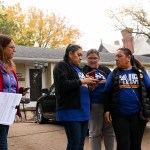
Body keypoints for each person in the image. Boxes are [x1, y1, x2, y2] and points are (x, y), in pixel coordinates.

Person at [53, 44, 98, 150]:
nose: (81, 57)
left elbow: (81, 86)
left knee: (80, 144)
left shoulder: (78, 69)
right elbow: (62, 85)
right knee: (74, 143)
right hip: (71, 110)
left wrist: (91, 87)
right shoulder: (61, 65)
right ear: (70, 54)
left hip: (83, 110)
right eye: (79, 54)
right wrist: (82, 81)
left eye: (81, 55)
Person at [104, 47, 150, 150]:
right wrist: (107, 109)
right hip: (119, 115)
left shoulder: (140, 72)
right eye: (116, 56)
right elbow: (107, 93)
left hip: (138, 116)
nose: (116, 59)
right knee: (123, 146)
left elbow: (148, 90)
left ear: (128, 58)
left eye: (119, 56)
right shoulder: (114, 73)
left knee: (136, 146)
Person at [83, 49, 115, 150]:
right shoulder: (83, 71)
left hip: (107, 105)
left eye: (95, 58)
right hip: (94, 105)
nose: (93, 60)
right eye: (90, 58)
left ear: (99, 59)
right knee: (95, 132)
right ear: (86, 59)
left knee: (109, 132)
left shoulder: (105, 70)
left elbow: (112, 84)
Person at [0, 34, 28, 150]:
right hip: (0, 108)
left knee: (3, 139)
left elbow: (11, 87)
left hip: (7, 110)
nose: (14, 50)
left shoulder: (10, 66)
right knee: (2, 141)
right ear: (2, 48)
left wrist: (20, 91)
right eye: (11, 47)